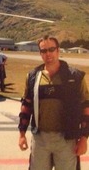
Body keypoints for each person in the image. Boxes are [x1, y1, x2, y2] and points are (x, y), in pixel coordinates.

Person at [18, 35, 89, 170]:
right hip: (40, 139)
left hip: (67, 140)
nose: (48, 54)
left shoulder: (75, 77)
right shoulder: (33, 77)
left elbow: (86, 108)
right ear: (40, 53)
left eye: (51, 49)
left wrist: (84, 138)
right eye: (44, 51)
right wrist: (21, 134)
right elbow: (26, 107)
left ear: (58, 50)